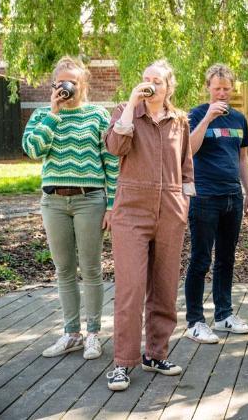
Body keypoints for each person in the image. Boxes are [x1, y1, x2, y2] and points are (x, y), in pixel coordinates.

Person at [104, 60, 194, 391]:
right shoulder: (124, 113)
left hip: (170, 211)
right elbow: (115, 148)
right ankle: (122, 363)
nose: (150, 84)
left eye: (157, 80)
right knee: (130, 289)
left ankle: (155, 354)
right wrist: (131, 102)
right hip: (132, 212)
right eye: (145, 79)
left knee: (165, 287)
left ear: (169, 87)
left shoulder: (179, 121)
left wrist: (185, 204)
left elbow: (187, 169)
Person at [22, 56, 118, 361]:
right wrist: (52, 113)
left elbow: (111, 162)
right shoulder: (41, 115)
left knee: (90, 268)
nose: (66, 88)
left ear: (83, 85)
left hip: (89, 199)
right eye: (60, 82)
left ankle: (93, 334)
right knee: (63, 269)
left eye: (72, 82)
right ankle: (71, 333)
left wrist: (112, 205)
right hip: (53, 201)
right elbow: (33, 150)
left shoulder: (97, 115)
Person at [183, 64, 248, 344]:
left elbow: (243, 160)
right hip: (204, 196)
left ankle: (224, 314)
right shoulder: (196, 114)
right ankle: (195, 321)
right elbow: (189, 149)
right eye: (217, 88)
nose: (222, 93)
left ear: (232, 88)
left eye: (226, 88)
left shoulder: (239, 119)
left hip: (232, 197)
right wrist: (207, 119)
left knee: (226, 258)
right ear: (208, 87)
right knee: (201, 259)